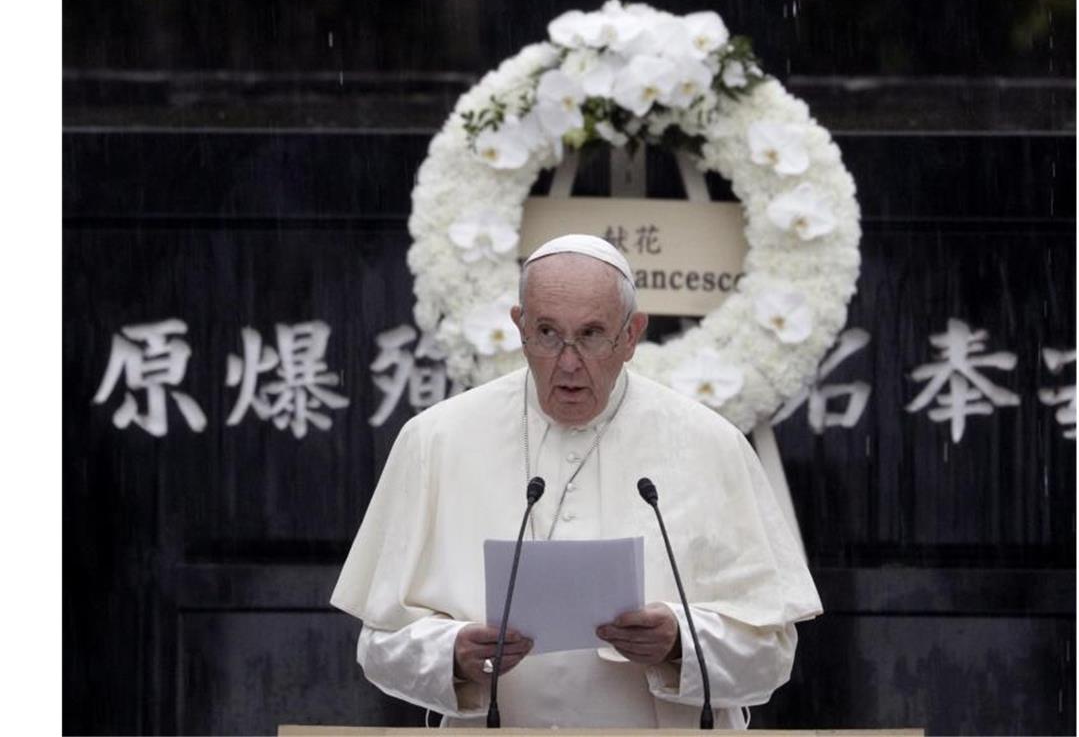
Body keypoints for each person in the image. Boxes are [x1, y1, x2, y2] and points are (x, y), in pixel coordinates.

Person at [331, 234, 822, 729]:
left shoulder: (710, 444)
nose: (568, 363)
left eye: (591, 335)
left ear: (631, 335)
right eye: (547, 333)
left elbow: (771, 655)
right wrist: (451, 653)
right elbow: (379, 646)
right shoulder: (435, 440)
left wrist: (678, 642)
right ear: (518, 327)